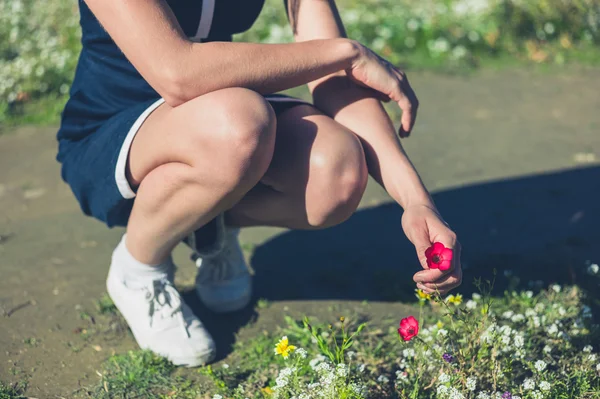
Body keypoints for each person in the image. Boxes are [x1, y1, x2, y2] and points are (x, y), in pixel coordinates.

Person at [56, 0, 462, 367]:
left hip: (220, 112)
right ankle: (138, 268)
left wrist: (416, 201)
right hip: (114, 129)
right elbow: (178, 74)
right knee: (237, 124)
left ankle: (206, 223)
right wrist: (348, 51)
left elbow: (338, 78)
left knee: (336, 169)